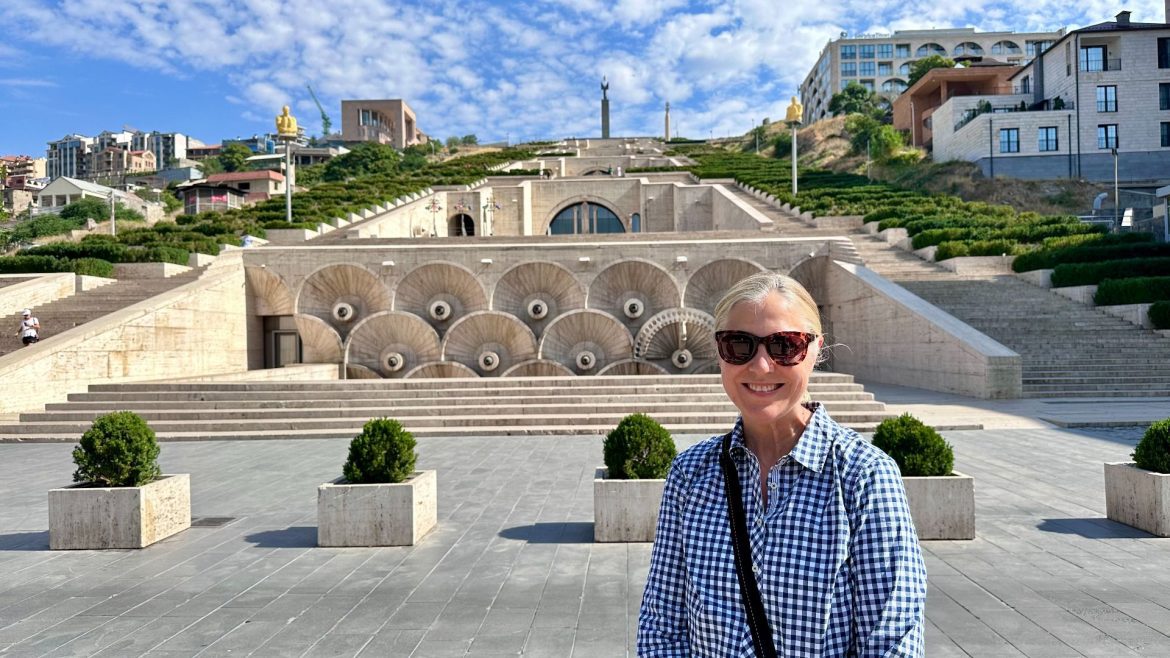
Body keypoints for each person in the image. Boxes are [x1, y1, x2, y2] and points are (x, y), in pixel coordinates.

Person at [638, 272, 926, 656]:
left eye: (784, 346)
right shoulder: (690, 473)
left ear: (815, 350)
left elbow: (892, 643)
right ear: (719, 352)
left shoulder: (864, 476)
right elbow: (662, 625)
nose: (760, 366)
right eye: (739, 345)